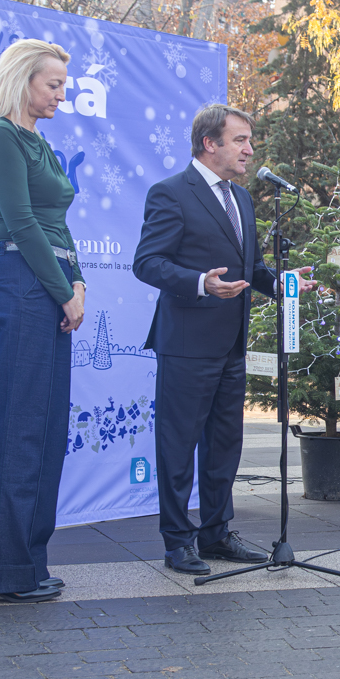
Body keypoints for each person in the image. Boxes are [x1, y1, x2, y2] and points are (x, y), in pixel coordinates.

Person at [134, 105, 281, 575]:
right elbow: (147, 262)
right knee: (178, 447)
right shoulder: (171, 193)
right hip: (185, 343)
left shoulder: (242, 200)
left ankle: (216, 533)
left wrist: (283, 284)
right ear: (209, 144)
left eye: (250, 141)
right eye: (240, 140)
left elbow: (252, 269)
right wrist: (200, 282)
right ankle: (178, 541)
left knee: (224, 444)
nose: (249, 149)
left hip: (230, 344)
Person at [0, 40, 86, 604]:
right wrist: (64, 292)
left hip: (50, 284)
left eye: (65, 83)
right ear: (23, 82)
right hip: (19, 284)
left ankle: (28, 563)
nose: (63, 93)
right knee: (17, 427)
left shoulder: (43, 144)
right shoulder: (0, 137)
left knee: (45, 429)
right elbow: (20, 222)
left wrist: (78, 282)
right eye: (54, 83)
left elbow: (56, 225)